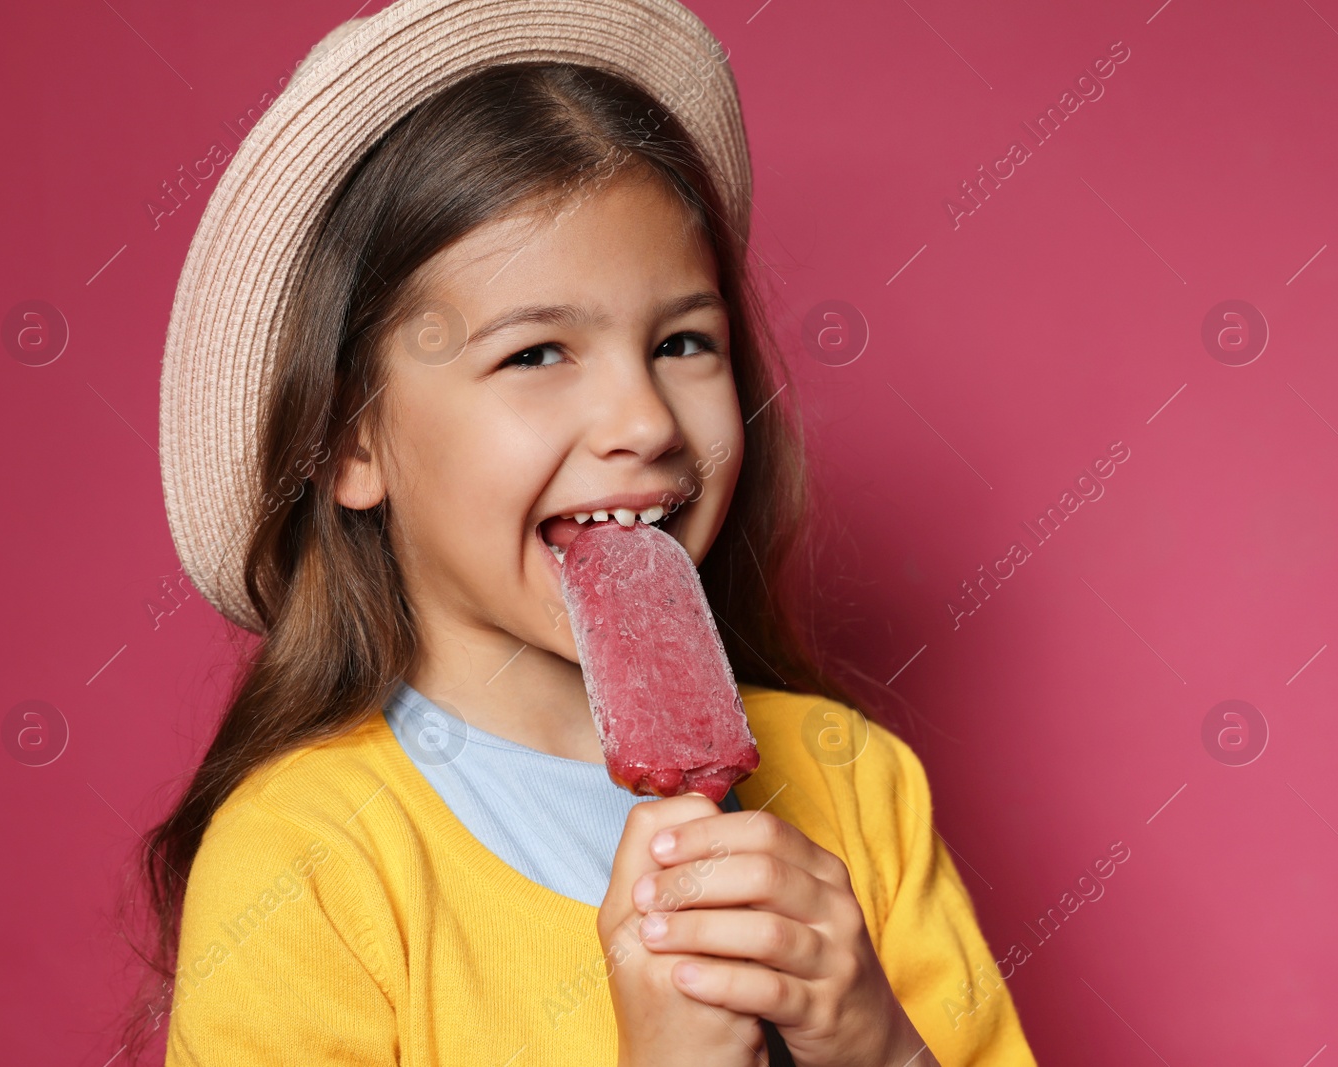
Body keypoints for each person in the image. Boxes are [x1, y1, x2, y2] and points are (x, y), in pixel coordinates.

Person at [122, 1, 1038, 1063]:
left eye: (684, 341)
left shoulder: (854, 783)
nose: (647, 421)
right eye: (537, 353)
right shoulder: (307, 858)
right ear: (349, 442)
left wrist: (880, 1044)